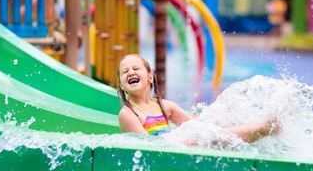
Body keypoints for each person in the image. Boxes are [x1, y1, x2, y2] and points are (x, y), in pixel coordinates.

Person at [117, 54, 281, 143]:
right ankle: (263, 129)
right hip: (167, 150)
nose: (130, 72)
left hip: (175, 144)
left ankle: (260, 128)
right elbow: (147, 146)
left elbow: (196, 125)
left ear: (150, 78)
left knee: (210, 130)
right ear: (121, 85)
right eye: (125, 72)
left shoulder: (165, 106)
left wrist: (219, 121)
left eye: (135, 68)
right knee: (204, 138)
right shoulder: (129, 114)